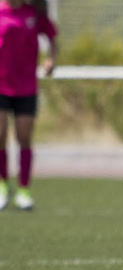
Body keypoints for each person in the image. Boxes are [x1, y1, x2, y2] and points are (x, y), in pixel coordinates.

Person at [0, 0, 58, 210]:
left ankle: (24, 190)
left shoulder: (33, 13)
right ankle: (2, 186)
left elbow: (52, 37)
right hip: (1, 85)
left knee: (23, 137)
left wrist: (51, 59)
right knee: (0, 135)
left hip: (26, 87)